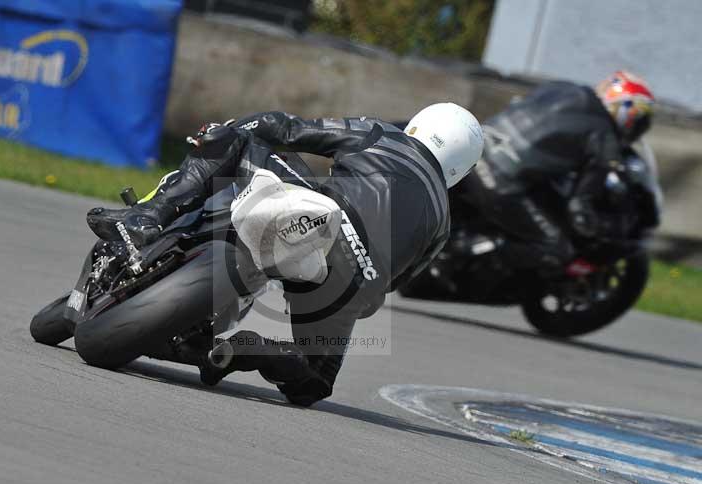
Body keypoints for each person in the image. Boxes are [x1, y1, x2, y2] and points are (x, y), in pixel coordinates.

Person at [87, 104, 483, 406]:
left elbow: (285, 129)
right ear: (460, 169)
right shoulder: (443, 221)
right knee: (312, 384)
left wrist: (230, 130)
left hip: (317, 222)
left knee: (238, 140)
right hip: (352, 288)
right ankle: (256, 351)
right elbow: (398, 281)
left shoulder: (382, 135)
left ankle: (148, 215)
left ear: (418, 126)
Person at [459, 70, 656, 272]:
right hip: (501, 182)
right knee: (557, 250)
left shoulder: (564, 87)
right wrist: (594, 229)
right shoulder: (605, 139)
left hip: (474, 150)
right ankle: (468, 262)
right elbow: (580, 205)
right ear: (626, 112)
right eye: (638, 120)